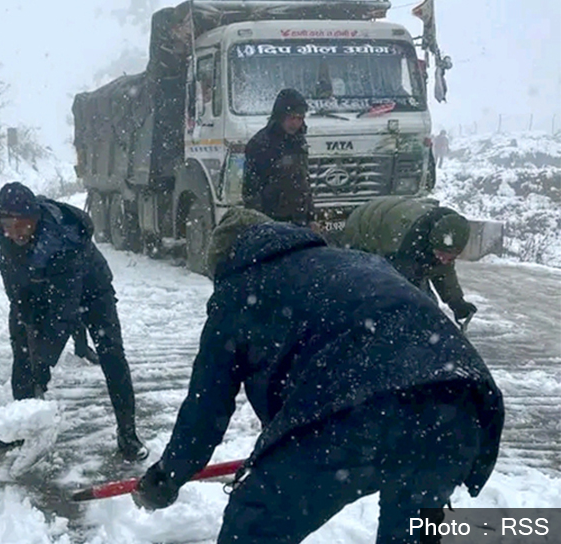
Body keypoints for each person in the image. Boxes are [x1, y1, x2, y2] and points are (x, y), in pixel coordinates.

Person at [131, 208, 504, 544]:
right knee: (410, 536)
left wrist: (168, 476)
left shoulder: (239, 292)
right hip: (460, 403)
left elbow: (206, 410)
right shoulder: (354, 260)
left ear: (226, 259)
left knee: (254, 527)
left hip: (356, 409)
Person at [0, 182, 147, 461]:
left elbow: (63, 313)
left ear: (35, 220)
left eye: (21, 225)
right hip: (42, 286)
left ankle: (128, 434)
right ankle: (22, 422)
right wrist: (21, 308)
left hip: (92, 290)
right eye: (8, 224)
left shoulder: (63, 241)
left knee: (111, 354)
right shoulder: (4, 235)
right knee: (21, 344)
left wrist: (44, 362)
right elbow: (11, 274)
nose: (14, 233)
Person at [342, 197, 478, 325]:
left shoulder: (447, 233)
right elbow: (402, 283)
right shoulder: (406, 243)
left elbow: (443, 273)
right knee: (374, 287)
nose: (444, 260)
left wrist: (457, 303)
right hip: (364, 226)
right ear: (432, 243)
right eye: (441, 254)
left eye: (451, 258)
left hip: (395, 224)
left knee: (423, 301)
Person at [242, 88, 314, 226]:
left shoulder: (298, 143)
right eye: (292, 118)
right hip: (272, 219)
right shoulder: (260, 144)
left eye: (300, 118)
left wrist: (311, 217)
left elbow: (304, 182)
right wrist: (260, 222)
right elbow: (250, 190)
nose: (295, 123)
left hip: (299, 219)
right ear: (281, 117)